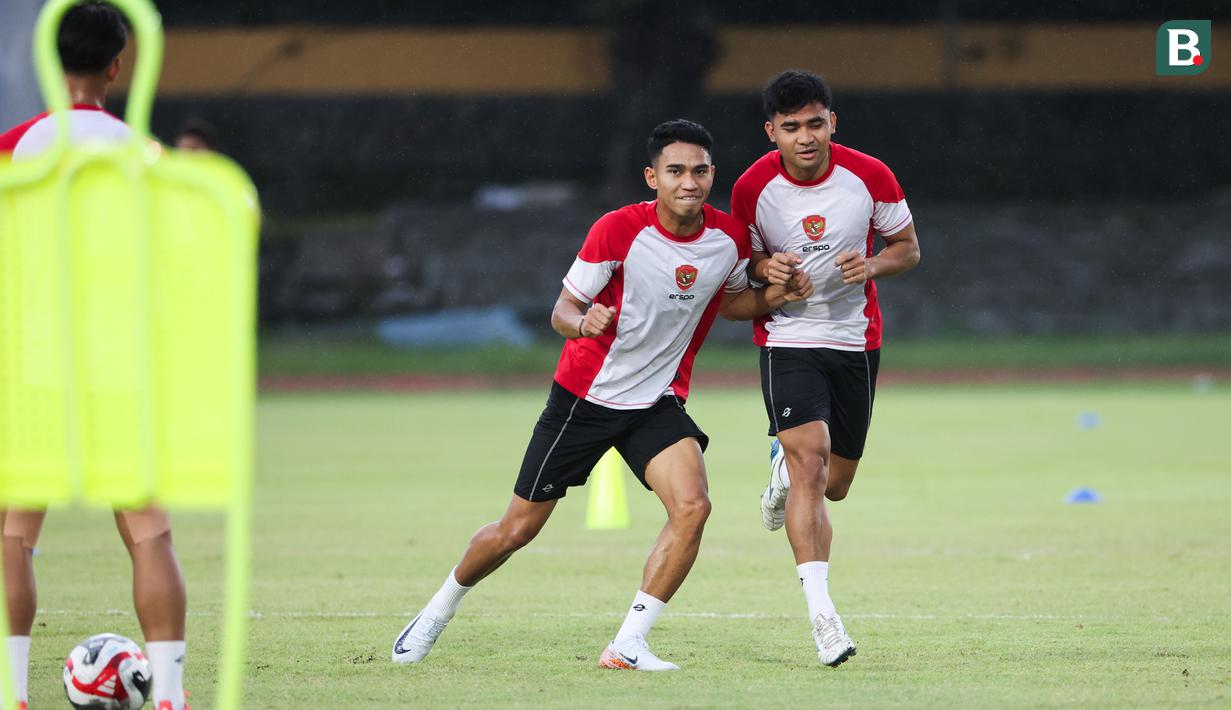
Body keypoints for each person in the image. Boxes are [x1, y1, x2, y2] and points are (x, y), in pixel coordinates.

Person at [392, 119, 811, 671]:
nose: (689, 182)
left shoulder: (729, 238)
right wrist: (582, 322)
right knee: (516, 531)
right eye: (676, 171)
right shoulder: (617, 230)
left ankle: (627, 645)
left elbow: (731, 302)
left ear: (713, 174)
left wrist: (779, 294)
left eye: (700, 171)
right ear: (652, 177)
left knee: (693, 506)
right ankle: (437, 611)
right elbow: (561, 311)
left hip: (655, 403)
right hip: (583, 401)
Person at [0, 3, 189, 708]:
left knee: (14, 534)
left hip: (36, 365)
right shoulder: (144, 155)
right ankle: (169, 695)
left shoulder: (16, 147)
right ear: (116, 66)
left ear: (51, 65)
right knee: (147, 531)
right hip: (119, 365)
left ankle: (11, 693)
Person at [730, 69, 921, 667]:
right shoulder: (752, 187)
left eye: (815, 124)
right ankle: (823, 616)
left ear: (832, 122)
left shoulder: (871, 175)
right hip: (787, 338)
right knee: (810, 467)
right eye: (791, 127)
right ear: (772, 132)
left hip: (855, 342)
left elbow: (907, 249)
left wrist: (872, 266)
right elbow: (742, 264)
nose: (806, 137)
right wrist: (768, 269)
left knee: (835, 484)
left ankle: (780, 471)